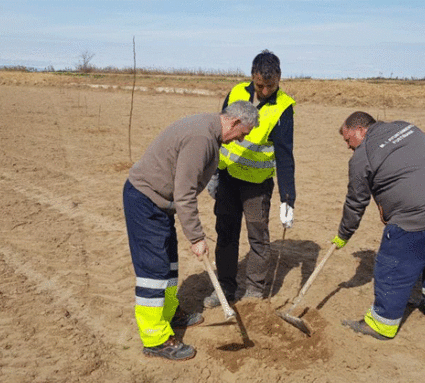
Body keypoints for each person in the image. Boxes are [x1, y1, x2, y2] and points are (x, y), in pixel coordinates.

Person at [123, 101, 259, 361]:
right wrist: (196, 238)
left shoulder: (209, 131)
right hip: (145, 200)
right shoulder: (201, 138)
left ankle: (170, 313)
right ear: (233, 122)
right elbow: (183, 193)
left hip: (160, 204)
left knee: (169, 265)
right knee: (154, 271)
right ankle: (155, 339)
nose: (240, 140)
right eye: (242, 134)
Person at [333, 111, 425, 340]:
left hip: (415, 217)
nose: (348, 146)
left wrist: (343, 235)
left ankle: (381, 324)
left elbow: (356, 202)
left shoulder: (362, 155)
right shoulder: (406, 127)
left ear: (360, 130)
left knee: (391, 266)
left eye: (348, 140)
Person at [203, 50, 297, 308]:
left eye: (271, 85)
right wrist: (214, 174)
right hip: (228, 178)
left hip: (257, 185)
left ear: (279, 78)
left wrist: (288, 199)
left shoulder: (283, 107)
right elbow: (218, 133)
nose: (265, 91)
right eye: (260, 85)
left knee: (257, 236)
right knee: (226, 233)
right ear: (252, 78)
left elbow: (285, 156)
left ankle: (255, 291)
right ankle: (225, 288)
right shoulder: (235, 93)